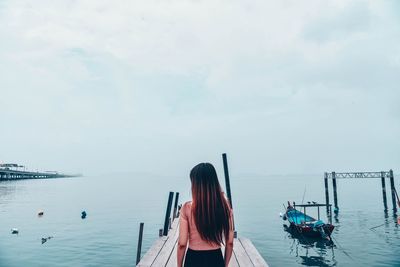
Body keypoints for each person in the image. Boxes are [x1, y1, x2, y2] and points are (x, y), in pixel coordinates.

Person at [177, 163, 234, 267]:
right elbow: (230, 242)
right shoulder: (225, 207)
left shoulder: (187, 208)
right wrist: (224, 264)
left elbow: (182, 244)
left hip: (193, 259)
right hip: (216, 259)